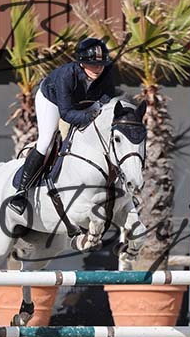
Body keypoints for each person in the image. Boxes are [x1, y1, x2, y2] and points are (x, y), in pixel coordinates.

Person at [9, 37, 116, 215]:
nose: (98, 68)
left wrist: (101, 109)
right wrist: (91, 115)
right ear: (81, 63)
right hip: (52, 101)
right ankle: (21, 191)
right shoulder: (66, 75)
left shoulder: (106, 71)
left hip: (84, 103)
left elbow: (108, 96)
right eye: (92, 64)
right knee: (46, 142)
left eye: (101, 64)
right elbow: (66, 113)